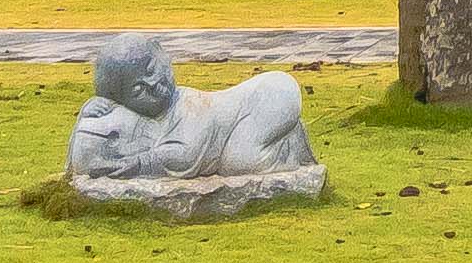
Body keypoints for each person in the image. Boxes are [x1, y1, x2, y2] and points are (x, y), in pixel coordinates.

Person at [73, 32, 318, 186]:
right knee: (238, 159)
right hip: (258, 111)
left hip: (272, 92)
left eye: (150, 69)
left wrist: (142, 163)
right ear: (123, 102)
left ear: (162, 54)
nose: (153, 84)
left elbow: (186, 154)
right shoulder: (152, 120)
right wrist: (94, 106)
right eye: (137, 90)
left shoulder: (188, 105)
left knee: (241, 163)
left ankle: (290, 152)